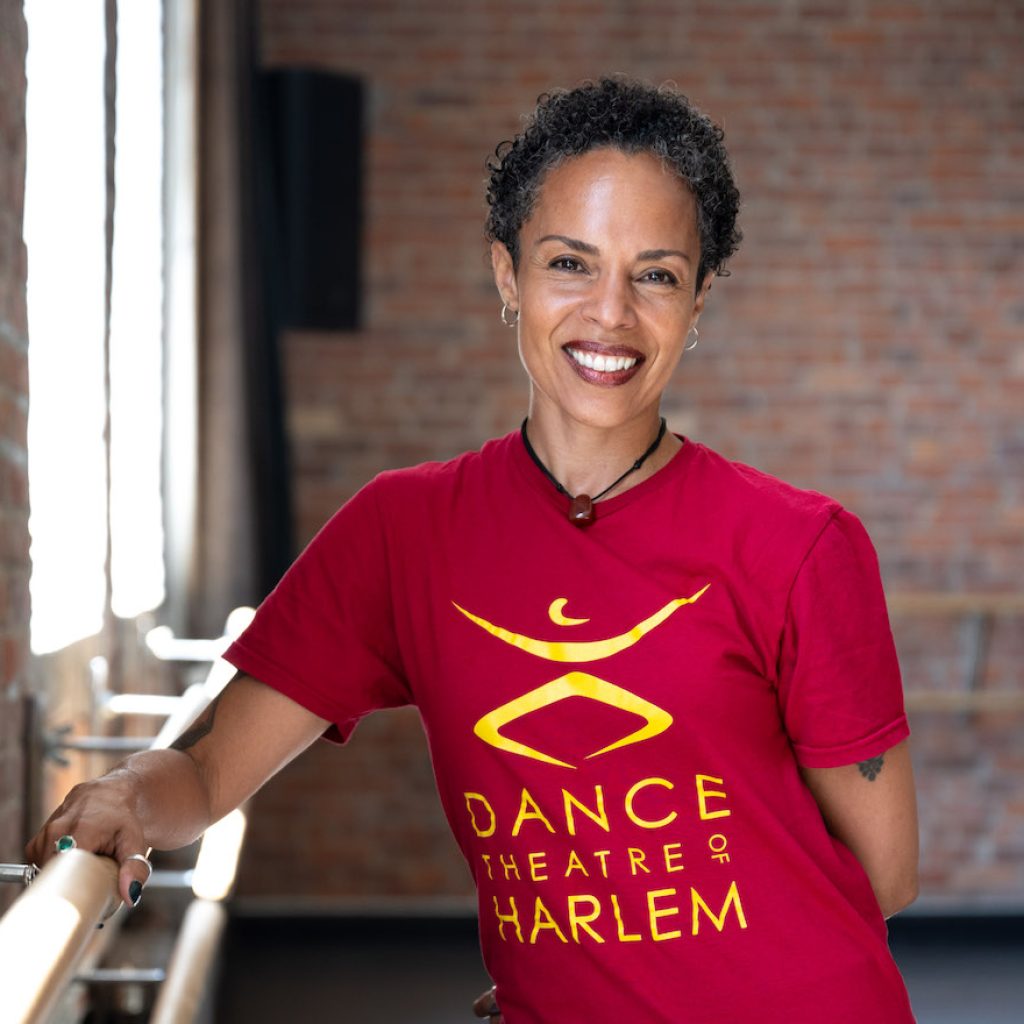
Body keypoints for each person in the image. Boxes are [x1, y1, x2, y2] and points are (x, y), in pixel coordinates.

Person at [28, 77, 919, 1023]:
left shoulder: (800, 545)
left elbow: (885, 873)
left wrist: (617, 978)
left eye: (656, 275)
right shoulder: (404, 532)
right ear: (507, 275)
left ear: (698, 300)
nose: (610, 312)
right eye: (569, 263)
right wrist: (125, 793)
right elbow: (208, 774)